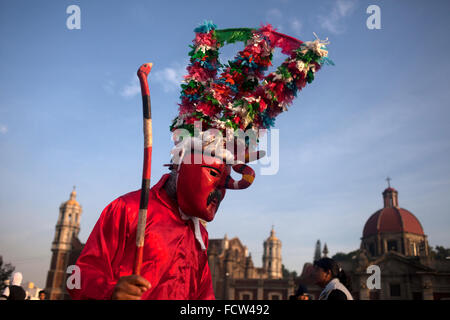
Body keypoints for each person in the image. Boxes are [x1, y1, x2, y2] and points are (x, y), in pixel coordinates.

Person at [68, 21, 331, 300]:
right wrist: (111, 292)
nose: (219, 191)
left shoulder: (199, 237)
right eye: (215, 175)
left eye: (226, 182)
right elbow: (78, 278)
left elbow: (203, 297)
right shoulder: (128, 210)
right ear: (185, 165)